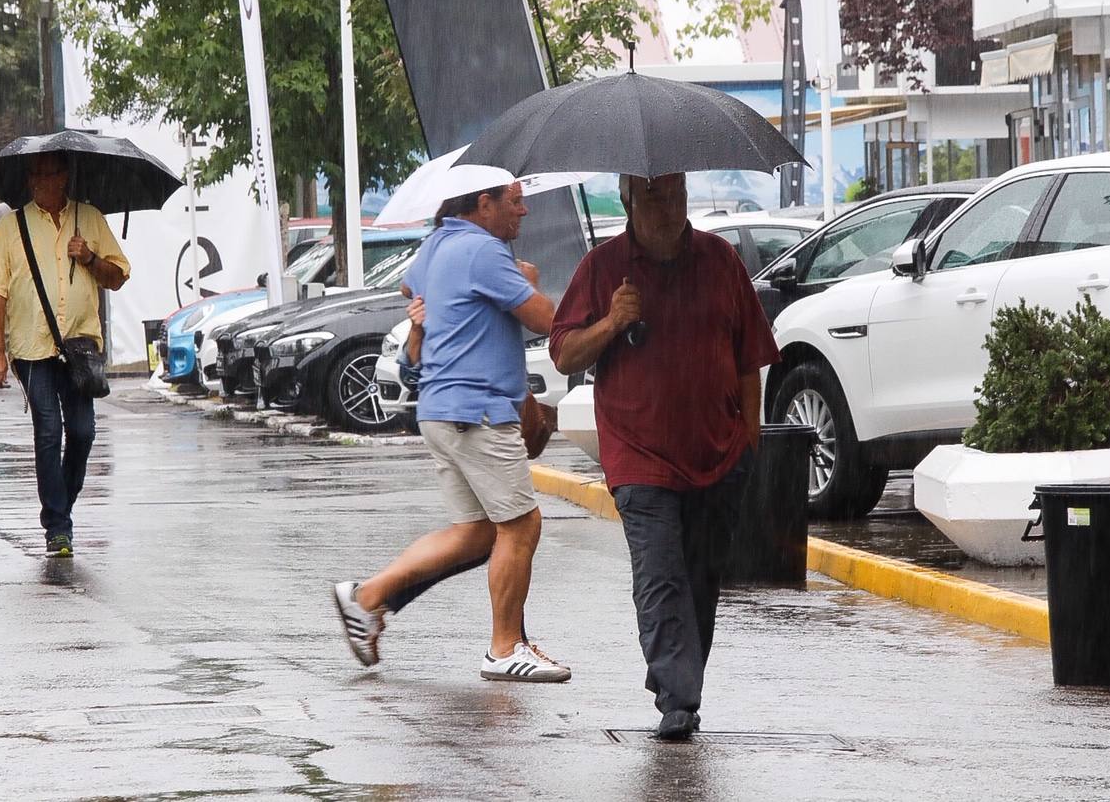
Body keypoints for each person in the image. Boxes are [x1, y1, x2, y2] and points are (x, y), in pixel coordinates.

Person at [549, 172, 780, 740]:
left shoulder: (720, 259)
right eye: (654, 194)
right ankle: (678, 695)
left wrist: (748, 439)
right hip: (638, 455)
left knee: (700, 575)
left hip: (718, 453)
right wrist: (611, 321)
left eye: (676, 191)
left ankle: (680, 678)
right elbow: (562, 353)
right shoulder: (603, 269)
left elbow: (749, 355)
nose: (669, 204)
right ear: (629, 199)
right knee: (659, 571)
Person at [333, 181, 570, 682]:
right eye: (514, 200)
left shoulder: (437, 244)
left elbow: (409, 288)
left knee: (478, 532)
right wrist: (524, 280)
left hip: (441, 410)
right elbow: (548, 320)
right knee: (522, 525)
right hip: (478, 410)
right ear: (483, 204)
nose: (523, 210)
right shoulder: (483, 251)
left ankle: (368, 596)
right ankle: (505, 648)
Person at [0, 152, 130, 558]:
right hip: (31, 348)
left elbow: (117, 278)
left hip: (79, 348)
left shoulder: (90, 219)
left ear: (64, 177)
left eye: (48, 174)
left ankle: (60, 504)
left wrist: (91, 257)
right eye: (34, 175)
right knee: (48, 430)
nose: (40, 182)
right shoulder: (12, 226)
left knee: (82, 433)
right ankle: (58, 527)